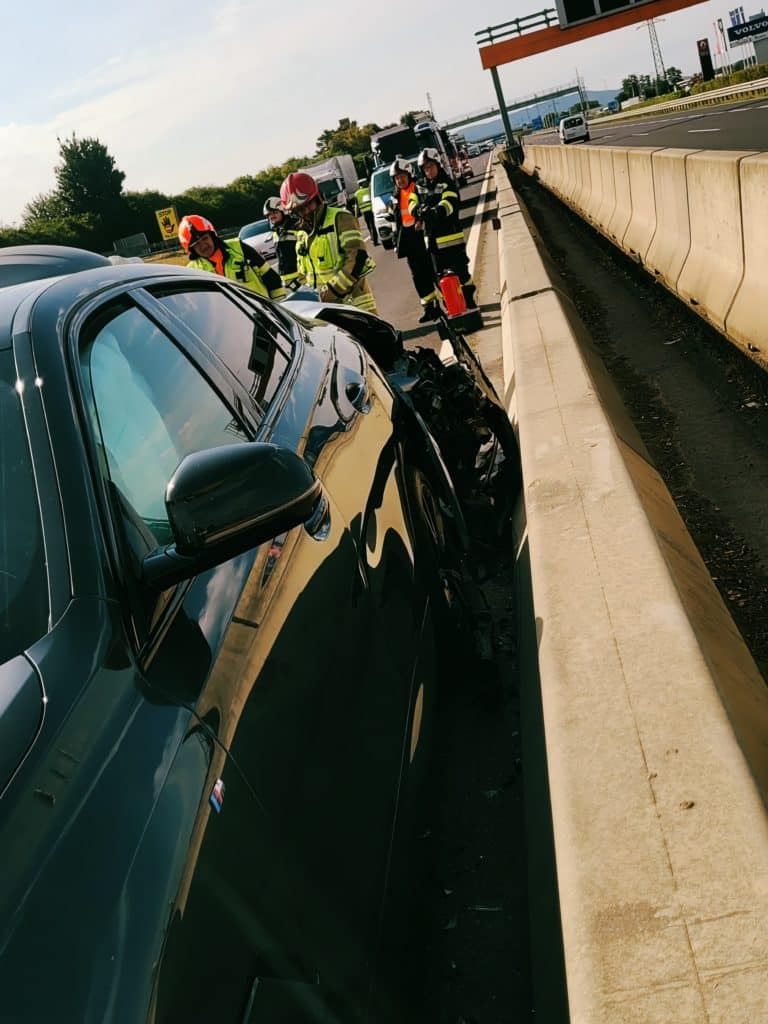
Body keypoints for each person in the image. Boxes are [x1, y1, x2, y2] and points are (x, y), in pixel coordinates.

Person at [280, 171, 377, 314]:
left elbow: (357, 259)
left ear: (317, 198)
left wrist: (329, 292)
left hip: (354, 306)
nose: (305, 212)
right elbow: (304, 275)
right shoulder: (301, 235)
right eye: (299, 209)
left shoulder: (341, 218)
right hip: (324, 312)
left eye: (308, 205)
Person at [409, 148, 477, 310]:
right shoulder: (419, 187)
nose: (429, 171)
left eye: (431, 167)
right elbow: (412, 203)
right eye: (425, 168)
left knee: (462, 273)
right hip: (432, 242)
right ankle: (451, 305)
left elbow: (450, 203)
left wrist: (434, 212)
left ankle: (469, 299)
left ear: (438, 166)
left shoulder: (447, 183)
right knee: (440, 276)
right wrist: (418, 211)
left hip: (451, 237)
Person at [179, 214, 286, 300]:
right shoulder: (192, 271)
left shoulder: (239, 248)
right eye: (196, 244)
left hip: (260, 314)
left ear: (212, 235)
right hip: (229, 323)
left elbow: (271, 278)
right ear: (191, 249)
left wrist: (279, 305)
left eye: (204, 239)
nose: (203, 246)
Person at [386, 157, 441, 323]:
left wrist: (422, 221)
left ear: (409, 174)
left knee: (434, 270)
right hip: (408, 240)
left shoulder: (419, 189)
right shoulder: (395, 197)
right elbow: (394, 222)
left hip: (422, 235)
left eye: (402, 176)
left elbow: (427, 208)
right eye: (396, 178)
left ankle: (449, 301)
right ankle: (429, 308)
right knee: (418, 276)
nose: (400, 180)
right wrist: (396, 242)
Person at [263, 196, 301, 292]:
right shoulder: (276, 233)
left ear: (283, 211)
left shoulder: (296, 227)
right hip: (286, 281)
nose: (272, 216)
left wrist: (302, 278)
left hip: (301, 279)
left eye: (275, 212)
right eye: (269, 215)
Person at [353, 177, 379, 246]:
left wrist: (355, 216)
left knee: (369, 226)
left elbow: (356, 206)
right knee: (373, 225)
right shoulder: (369, 190)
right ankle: (375, 240)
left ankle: (373, 238)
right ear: (363, 184)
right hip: (371, 210)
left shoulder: (356, 194)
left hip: (364, 212)